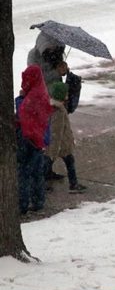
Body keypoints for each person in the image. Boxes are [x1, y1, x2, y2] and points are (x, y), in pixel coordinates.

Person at [15, 65, 53, 215]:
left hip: (28, 139)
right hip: (39, 140)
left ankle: (23, 203)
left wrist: (20, 98)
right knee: (36, 172)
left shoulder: (31, 97)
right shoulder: (42, 93)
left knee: (24, 171)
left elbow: (22, 114)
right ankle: (38, 200)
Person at [45, 82, 87, 193]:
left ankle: (46, 183)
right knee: (66, 162)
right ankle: (73, 184)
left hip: (60, 143)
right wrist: (54, 148)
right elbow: (56, 131)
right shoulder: (58, 111)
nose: (68, 95)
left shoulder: (55, 107)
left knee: (50, 163)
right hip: (61, 144)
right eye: (66, 93)